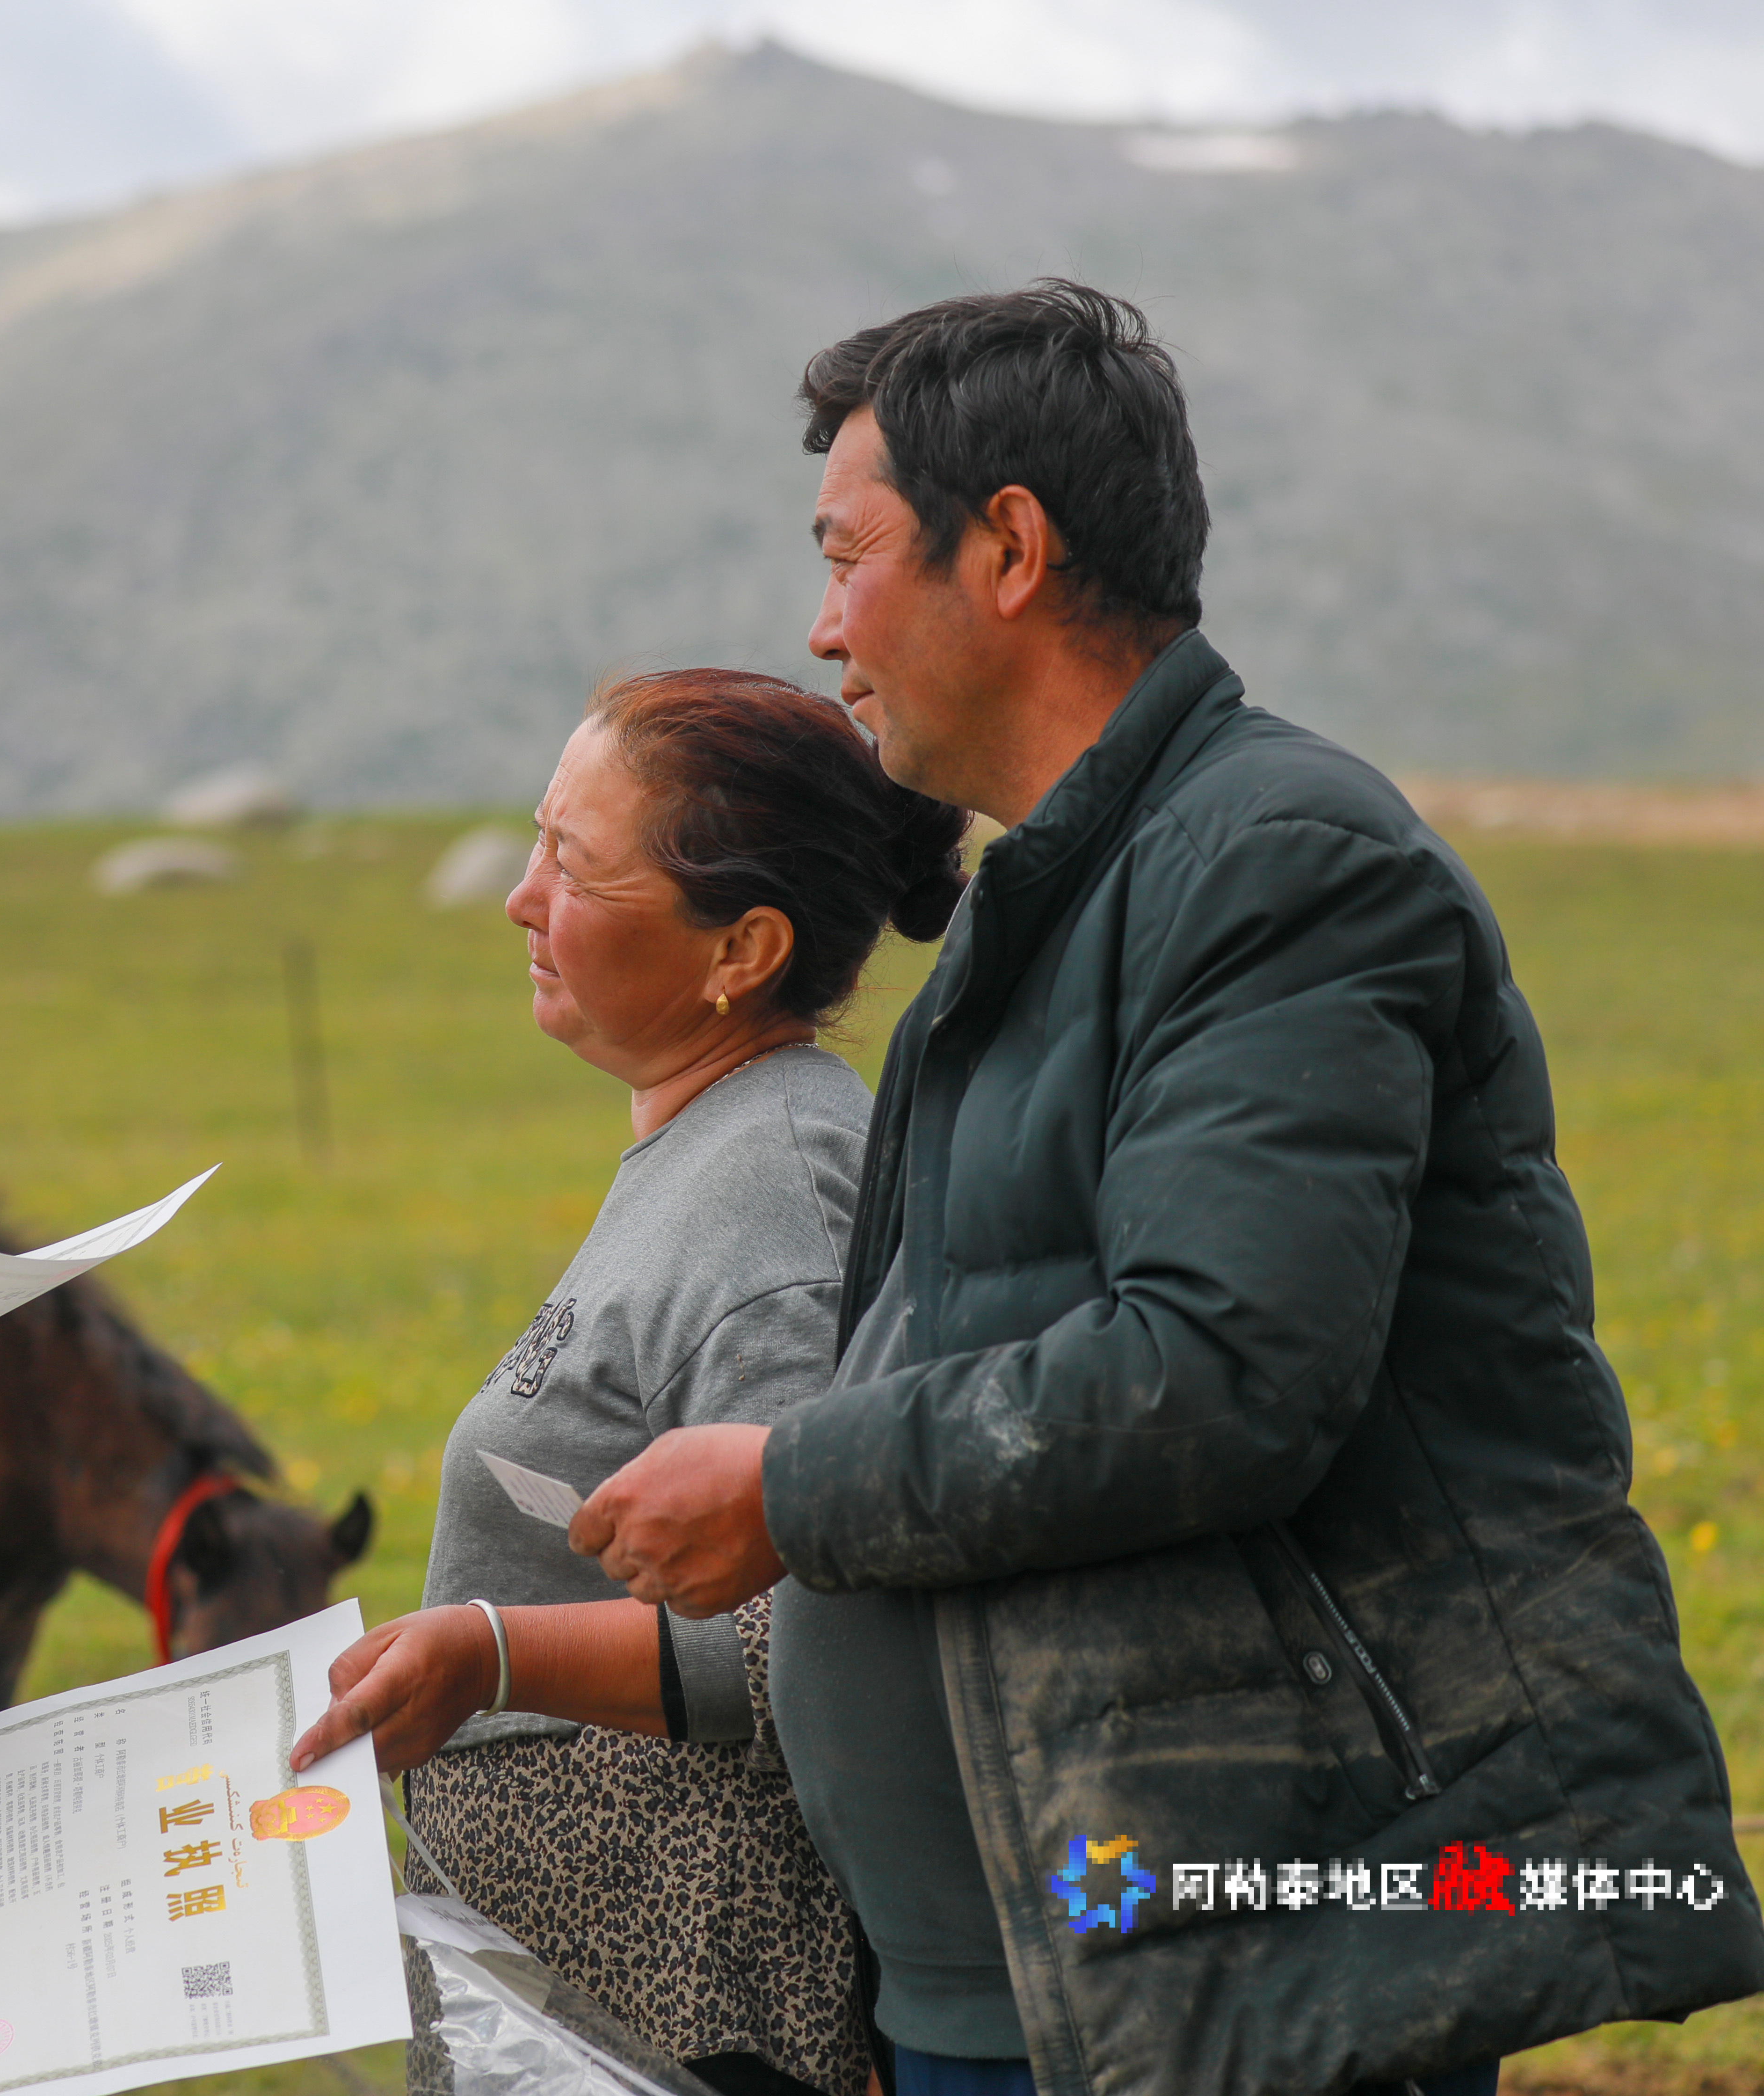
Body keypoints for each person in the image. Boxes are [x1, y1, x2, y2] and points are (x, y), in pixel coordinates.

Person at [569, 281, 1764, 2095]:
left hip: (1232, 1995)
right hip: (1029, 1988)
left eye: (848, 558)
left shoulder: (1276, 863)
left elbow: (1223, 1374)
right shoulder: (1046, 911)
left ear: (1011, 550)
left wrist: (791, 1485)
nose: (822, 631)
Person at [292, 668, 969, 2096]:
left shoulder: (775, 1188)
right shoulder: (710, 1143)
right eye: (537, 842)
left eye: (576, 866)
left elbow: (806, 1627)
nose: (519, 899)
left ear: (744, 949)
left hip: (693, 2015)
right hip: (584, 2009)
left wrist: (493, 1654)